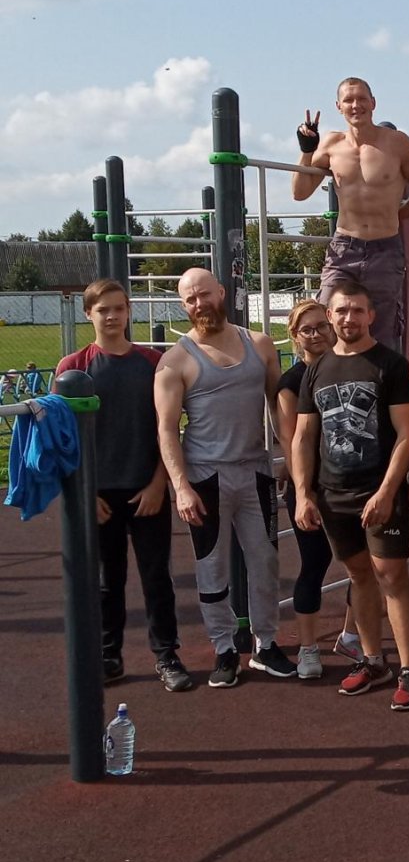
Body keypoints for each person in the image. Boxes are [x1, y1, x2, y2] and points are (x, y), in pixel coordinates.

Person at [154, 267, 295, 687]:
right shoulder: (175, 361)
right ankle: (224, 648)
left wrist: (290, 458)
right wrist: (181, 487)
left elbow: (279, 406)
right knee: (211, 567)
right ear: (183, 305)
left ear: (221, 292)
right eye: (191, 299)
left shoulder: (259, 344)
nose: (200, 304)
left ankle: (265, 644)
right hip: (206, 477)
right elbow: (166, 429)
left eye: (205, 294)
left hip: (255, 471)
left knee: (265, 562)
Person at [291, 280, 409, 710]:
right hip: (334, 495)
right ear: (331, 316)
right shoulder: (317, 369)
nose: (349, 318)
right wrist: (303, 493)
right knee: (359, 575)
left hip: (378, 490)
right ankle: (372, 660)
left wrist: (387, 491)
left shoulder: (390, 365)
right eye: (342, 311)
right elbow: (303, 436)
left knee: (391, 575)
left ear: (371, 315)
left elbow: (407, 434)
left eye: (357, 310)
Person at [57, 279, 190, 691]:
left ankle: (166, 655)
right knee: (105, 580)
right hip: (99, 494)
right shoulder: (74, 367)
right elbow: (62, 440)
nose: (112, 316)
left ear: (129, 311)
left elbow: (169, 428)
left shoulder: (154, 363)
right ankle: (108, 655)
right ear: (88, 314)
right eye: (103, 310)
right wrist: (86, 492)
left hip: (146, 488)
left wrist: (159, 483)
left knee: (157, 577)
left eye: (118, 308)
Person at [291, 77, 409, 351]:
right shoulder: (332, 144)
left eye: (361, 99)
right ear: (338, 106)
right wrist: (306, 151)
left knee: (383, 329)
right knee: (324, 320)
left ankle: (383, 380)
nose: (355, 105)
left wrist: (396, 215)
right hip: (344, 248)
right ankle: (320, 377)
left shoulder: (397, 143)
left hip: (385, 248)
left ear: (373, 103)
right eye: (348, 100)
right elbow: (300, 192)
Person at [274, 300, 337, 679]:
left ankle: (352, 635)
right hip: (310, 485)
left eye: (320, 327)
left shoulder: (349, 367)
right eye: (306, 330)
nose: (315, 335)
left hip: (349, 483)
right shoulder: (290, 383)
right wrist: (303, 492)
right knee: (315, 561)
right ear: (295, 336)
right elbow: (290, 440)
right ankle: (309, 648)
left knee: (366, 565)